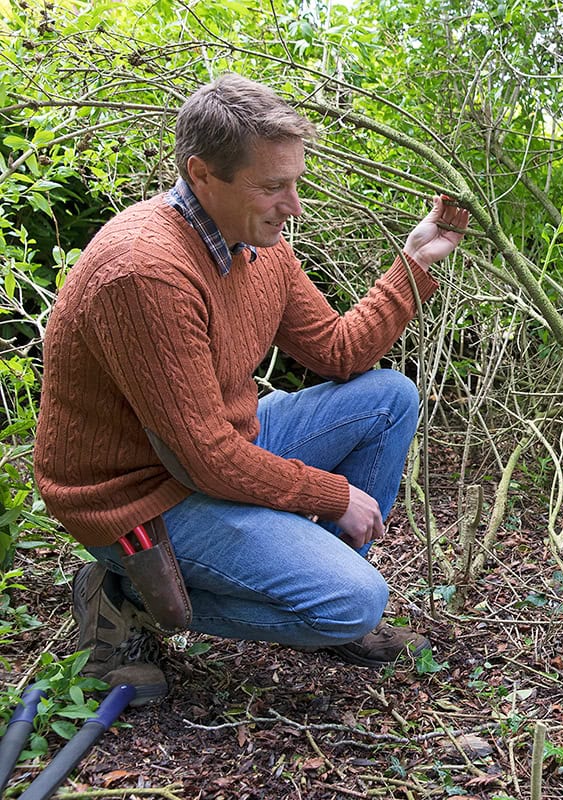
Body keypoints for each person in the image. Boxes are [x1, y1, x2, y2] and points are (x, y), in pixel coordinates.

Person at [33, 73, 469, 704]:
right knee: (357, 603)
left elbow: (339, 352)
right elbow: (203, 456)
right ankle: (124, 591)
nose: (292, 206)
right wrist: (330, 493)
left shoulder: (256, 245)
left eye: (294, 182)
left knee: (388, 397)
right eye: (272, 187)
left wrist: (414, 263)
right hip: (136, 493)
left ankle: (307, 582)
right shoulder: (146, 274)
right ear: (202, 173)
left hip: (212, 450)